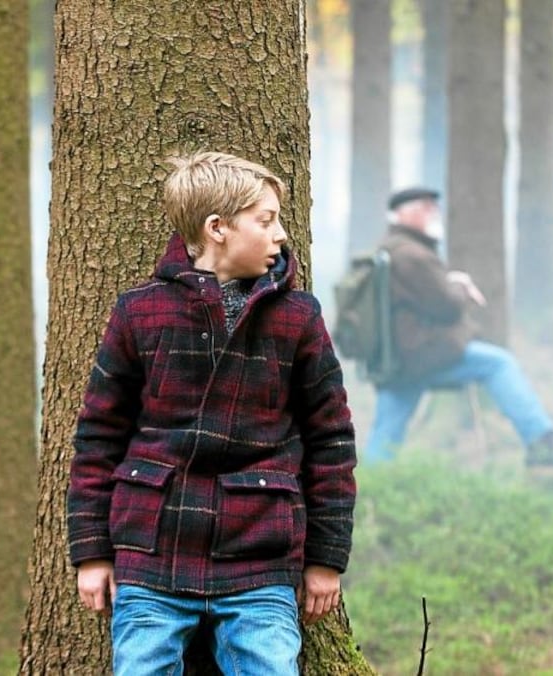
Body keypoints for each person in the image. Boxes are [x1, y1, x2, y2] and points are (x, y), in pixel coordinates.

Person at [66, 152, 357, 674]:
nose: (280, 235)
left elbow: (331, 441)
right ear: (217, 228)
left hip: (261, 556)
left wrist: (325, 559)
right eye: (265, 221)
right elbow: (98, 436)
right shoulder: (140, 312)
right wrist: (91, 552)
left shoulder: (298, 317)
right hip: (150, 551)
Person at [363, 187, 553, 467]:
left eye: (433, 207)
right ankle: (542, 443)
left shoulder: (389, 249)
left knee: (387, 431)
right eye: (425, 208)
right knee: (499, 363)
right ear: (404, 215)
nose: (433, 213)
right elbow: (446, 305)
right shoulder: (412, 255)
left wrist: (448, 283)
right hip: (420, 354)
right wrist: (459, 287)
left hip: (397, 357)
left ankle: (370, 487)